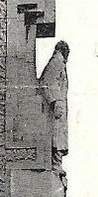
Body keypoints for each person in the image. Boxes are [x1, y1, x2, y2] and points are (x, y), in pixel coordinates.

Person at [38, 40, 69, 173]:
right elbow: (47, 82)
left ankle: (56, 162)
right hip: (55, 108)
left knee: (59, 136)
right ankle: (55, 163)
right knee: (56, 136)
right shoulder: (56, 62)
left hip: (59, 106)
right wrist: (55, 101)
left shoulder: (59, 63)